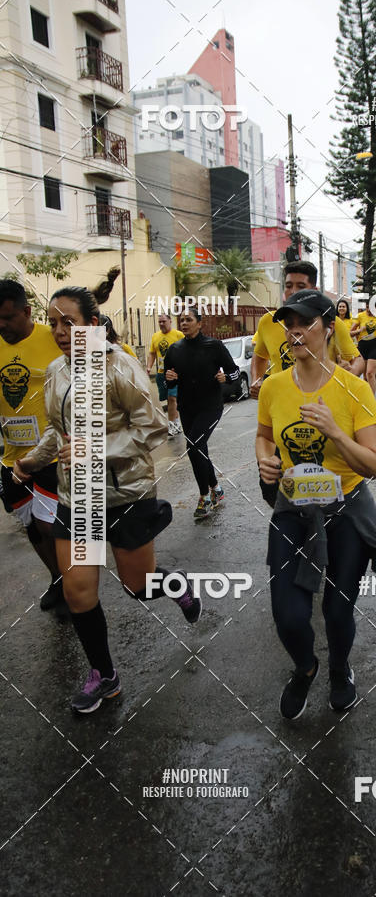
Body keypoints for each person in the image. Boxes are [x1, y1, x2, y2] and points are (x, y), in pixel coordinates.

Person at [12, 286, 200, 714]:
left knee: (138, 587)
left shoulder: (121, 367)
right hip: (76, 499)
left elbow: (154, 430)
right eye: (54, 322)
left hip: (125, 495)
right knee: (78, 592)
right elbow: (58, 433)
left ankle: (177, 585)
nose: (60, 331)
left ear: (93, 325)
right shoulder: (57, 371)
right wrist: (28, 463)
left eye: (69, 323)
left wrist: (94, 449)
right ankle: (105, 676)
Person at [256, 289, 376, 719]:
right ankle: (305, 667)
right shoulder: (275, 387)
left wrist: (336, 433)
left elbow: (373, 465)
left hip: (345, 512)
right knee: (289, 615)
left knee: (337, 611)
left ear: (327, 327)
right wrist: (264, 459)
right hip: (292, 510)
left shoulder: (354, 389)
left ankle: (339, 667)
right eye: (288, 324)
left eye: (304, 322)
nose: (295, 330)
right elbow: (264, 435)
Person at [0, 279, 64, 611]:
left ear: (27, 311)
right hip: (12, 457)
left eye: (8, 317)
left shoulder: (53, 338)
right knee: (31, 525)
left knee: (47, 521)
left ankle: (76, 580)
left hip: (52, 452)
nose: (2, 325)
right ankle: (58, 578)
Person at [164, 306, 239, 521]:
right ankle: (216, 487)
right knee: (199, 448)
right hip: (187, 406)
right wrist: (169, 377)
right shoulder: (174, 349)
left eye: (188, 319)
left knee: (194, 446)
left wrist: (227, 378)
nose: (184, 323)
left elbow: (233, 371)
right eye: (182, 319)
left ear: (199, 323)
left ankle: (204, 496)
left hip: (211, 406)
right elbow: (169, 377)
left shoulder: (214, 346)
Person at [250, 261, 362, 400]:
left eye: (301, 286)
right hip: (282, 402)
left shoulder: (329, 322)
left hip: (323, 402)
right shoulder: (268, 321)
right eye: (289, 286)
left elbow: (357, 360)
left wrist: (351, 372)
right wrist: (256, 380)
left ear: (313, 291)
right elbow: (260, 356)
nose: (292, 291)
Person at [147, 314, 184, 438]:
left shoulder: (178, 335)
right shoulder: (155, 336)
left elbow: (187, 349)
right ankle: (177, 423)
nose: (161, 324)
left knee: (172, 398)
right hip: (161, 373)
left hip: (175, 373)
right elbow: (152, 353)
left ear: (170, 321)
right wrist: (148, 367)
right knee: (168, 399)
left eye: (164, 321)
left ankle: (172, 425)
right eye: (159, 322)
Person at [351, 301, 376, 394]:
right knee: (365, 377)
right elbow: (350, 333)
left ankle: (372, 401)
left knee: (370, 373)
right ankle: (366, 397)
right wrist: (360, 330)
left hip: (375, 345)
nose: (369, 310)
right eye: (367, 307)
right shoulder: (360, 316)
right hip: (362, 345)